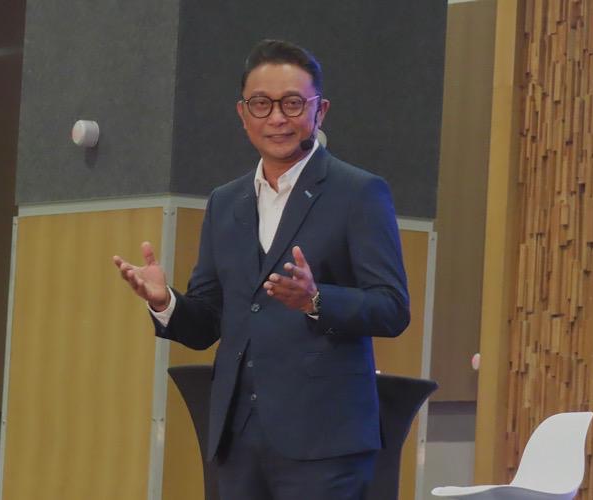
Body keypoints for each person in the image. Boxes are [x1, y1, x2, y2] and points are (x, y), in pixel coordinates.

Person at [114, 39, 409, 500]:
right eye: (261, 104)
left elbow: (391, 308)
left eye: (292, 103)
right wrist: (165, 302)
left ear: (320, 110)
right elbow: (209, 321)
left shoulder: (358, 192)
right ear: (242, 113)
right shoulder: (225, 202)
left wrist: (316, 300)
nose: (276, 118)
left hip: (324, 443)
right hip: (238, 440)